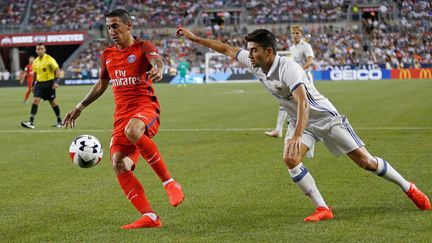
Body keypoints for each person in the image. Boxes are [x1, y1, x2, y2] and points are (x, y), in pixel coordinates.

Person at [176, 26, 431, 222]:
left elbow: (303, 103)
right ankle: (323, 208)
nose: (249, 54)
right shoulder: (256, 64)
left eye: (254, 50)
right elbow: (226, 49)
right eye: (249, 50)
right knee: (290, 159)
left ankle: (409, 187)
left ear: (269, 52)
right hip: (301, 122)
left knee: (367, 162)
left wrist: (296, 135)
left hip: (325, 119)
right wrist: (194, 39)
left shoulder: (289, 69)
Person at [63, 9, 184, 229]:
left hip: (145, 108)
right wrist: (80, 107)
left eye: (115, 26)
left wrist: (158, 68)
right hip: (121, 117)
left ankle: (170, 183)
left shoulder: (143, 47)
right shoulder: (107, 54)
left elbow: (157, 61)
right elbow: (101, 84)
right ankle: (150, 217)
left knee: (133, 130)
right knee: (119, 163)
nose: (111, 31)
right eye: (108, 27)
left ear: (129, 25)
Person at [265, 25, 315, 138]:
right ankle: (278, 129)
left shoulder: (306, 46)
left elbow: (310, 61)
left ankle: (309, 129)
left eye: (297, 33)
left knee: (304, 103)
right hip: (294, 78)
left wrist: (298, 70)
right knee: (284, 101)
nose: (295, 35)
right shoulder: (292, 48)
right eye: (293, 33)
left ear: (301, 34)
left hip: (304, 79)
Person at [21, 44, 62, 129]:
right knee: (35, 100)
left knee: (53, 103)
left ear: (45, 50)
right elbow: (35, 74)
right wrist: (33, 85)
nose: (39, 50)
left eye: (41, 49)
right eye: (38, 49)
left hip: (49, 83)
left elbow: (57, 70)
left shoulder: (49, 59)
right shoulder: (35, 61)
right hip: (39, 84)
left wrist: (57, 81)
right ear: (36, 51)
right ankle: (31, 122)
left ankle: (60, 121)